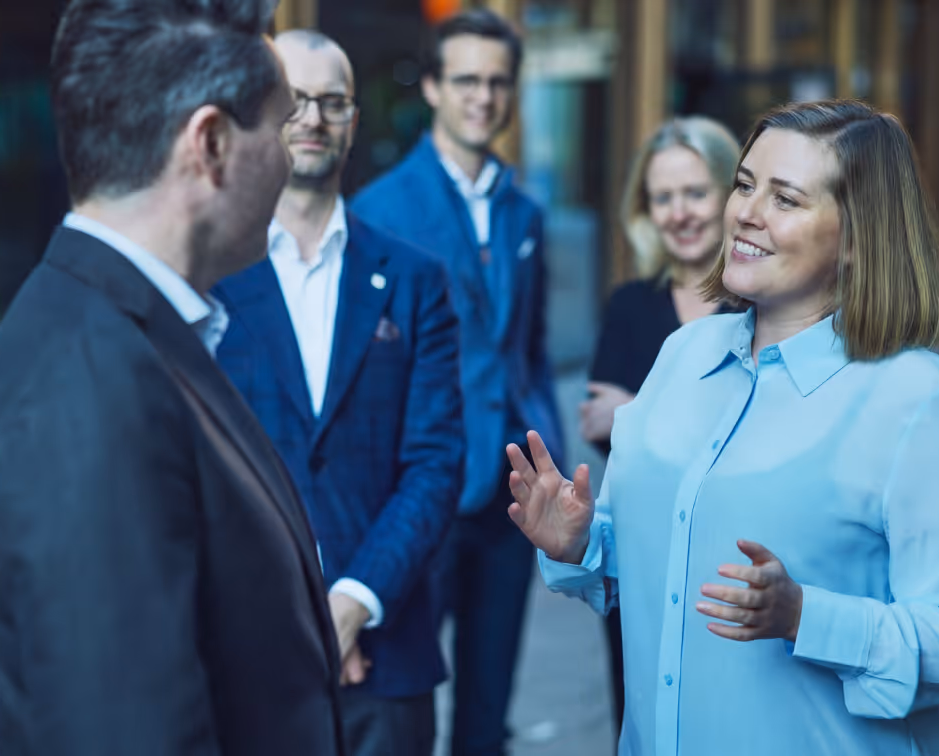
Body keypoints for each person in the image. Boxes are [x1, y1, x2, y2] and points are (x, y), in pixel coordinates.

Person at [507, 99, 939, 755]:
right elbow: (658, 569)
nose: (746, 212)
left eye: (786, 198)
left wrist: (807, 616)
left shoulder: (921, 401)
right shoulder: (683, 355)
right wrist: (581, 545)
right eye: (745, 184)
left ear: (858, 236)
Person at [0, 2, 345, 754]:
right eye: (281, 123)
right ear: (212, 144)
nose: (295, 154)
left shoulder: (127, 327)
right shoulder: (84, 385)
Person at [212, 30, 463, 756]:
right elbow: (194, 466)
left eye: (332, 102)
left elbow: (437, 461)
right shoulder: (207, 276)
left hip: (387, 658)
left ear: (355, 120)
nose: (313, 118)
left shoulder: (415, 279)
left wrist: (352, 603)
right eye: (294, 100)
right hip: (245, 654)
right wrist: (297, 615)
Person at [352, 11, 563, 754]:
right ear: (435, 87)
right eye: (467, 79)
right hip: (419, 493)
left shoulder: (524, 213)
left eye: (498, 82)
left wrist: (549, 451)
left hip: (509, 501)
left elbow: (528, 348)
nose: (484, 96)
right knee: (398, 698)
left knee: (488, 706)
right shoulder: (378, 212)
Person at [578, 116, 742, 735]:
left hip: (732, 555)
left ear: (732, 192)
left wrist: (636, 410)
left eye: (696, 193)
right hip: (640, 553)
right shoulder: (629, 304)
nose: (680, 214)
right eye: (662, 198)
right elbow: (599, 422)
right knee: (645, 715)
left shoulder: (757, 304)